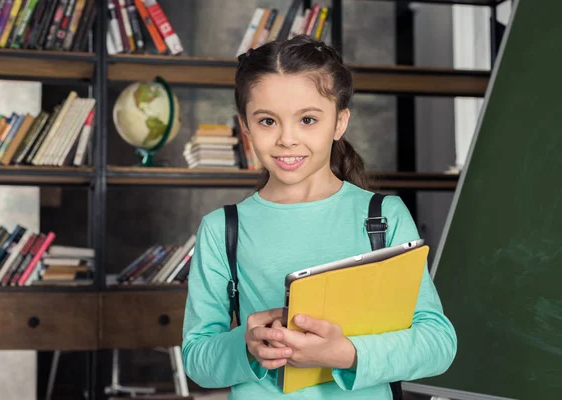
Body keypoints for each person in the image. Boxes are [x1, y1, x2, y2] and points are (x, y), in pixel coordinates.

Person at [181, 35, 457, 399]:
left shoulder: (383, 217)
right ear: (245, 128)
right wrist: (246, 345)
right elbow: (196, 358)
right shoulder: (222, 229)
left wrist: (346, 354)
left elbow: (438, 344)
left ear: (339, 122)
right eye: (267, 121)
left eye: (308, 119)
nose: (287, 139)